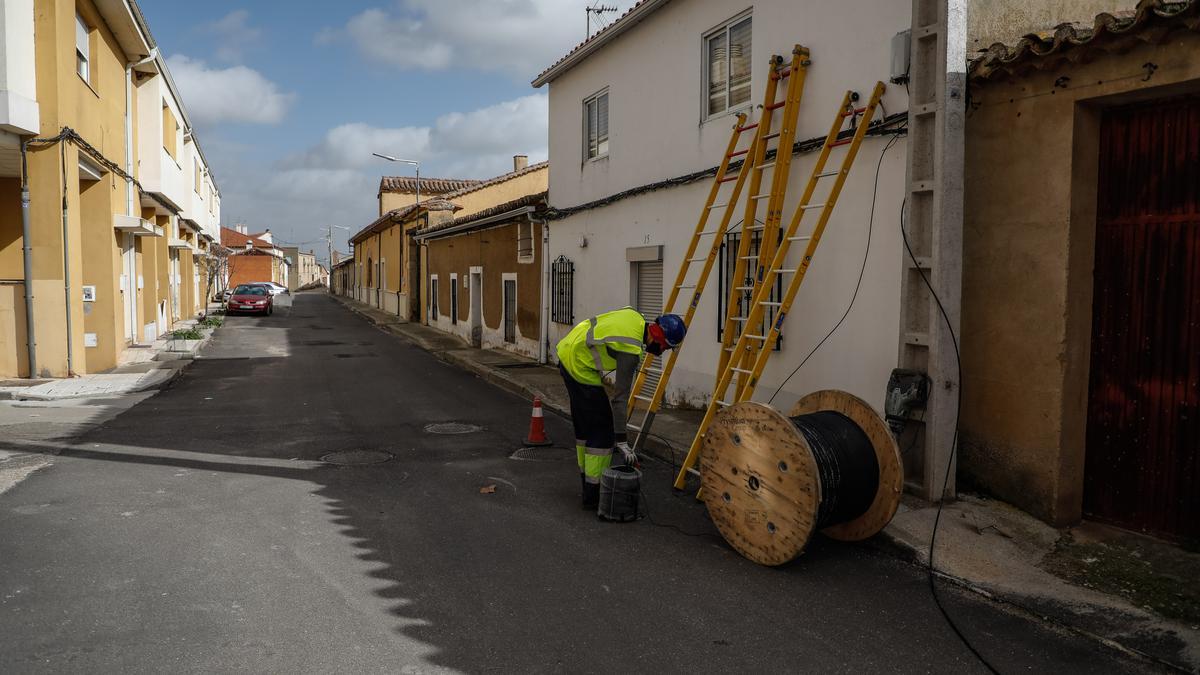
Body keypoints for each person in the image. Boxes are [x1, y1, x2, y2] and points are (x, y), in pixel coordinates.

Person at [556, 307, 687, 508]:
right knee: (602, 429)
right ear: (660, 340)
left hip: (567, 351)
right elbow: (619, 398)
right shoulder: (631, 350)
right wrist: (622, 442)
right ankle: (594, 494)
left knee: (585, 426)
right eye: (665, 348)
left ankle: (588, 484)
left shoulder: (634, 317)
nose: (662, 352)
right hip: (578, 365)